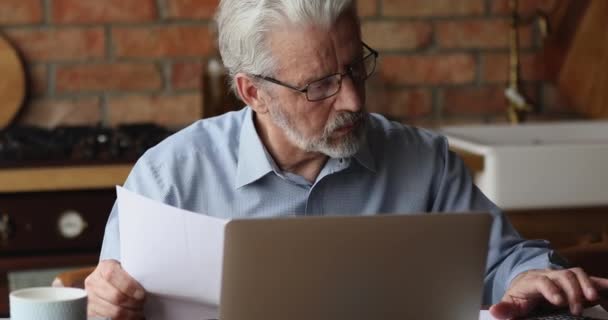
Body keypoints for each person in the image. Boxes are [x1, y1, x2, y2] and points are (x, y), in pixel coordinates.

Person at [85, 0, 608, 319]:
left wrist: (532, 276)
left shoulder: (424, 161)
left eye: (357, 68)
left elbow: (503, 262)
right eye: (320, 86)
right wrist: (105, 306)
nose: (355, 100)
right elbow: (110, 301)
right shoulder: (168, 176)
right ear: (252, 93)